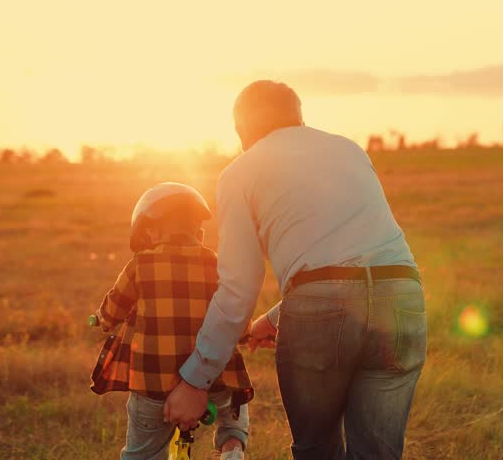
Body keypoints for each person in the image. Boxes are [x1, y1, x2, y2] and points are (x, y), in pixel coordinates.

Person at [164, 81, 427, 459]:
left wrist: (195, 380)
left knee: (317, 450)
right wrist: (277, 316)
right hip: (402, 293)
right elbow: (356, 257)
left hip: (320, 308)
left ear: (240, 130)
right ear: (300, 117)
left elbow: (238, 288)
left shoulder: (240, 171)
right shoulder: (348, 150)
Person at [90, 182, 253, 460]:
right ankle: (232, 449)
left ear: (150, 230)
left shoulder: (140, 264)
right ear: (198, 231)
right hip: (212, 382)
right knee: (233, 409)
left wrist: (102, 320)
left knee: (143, 452)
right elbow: (238, 322)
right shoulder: (217, 265)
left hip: (154, 385)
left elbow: (113, 310)